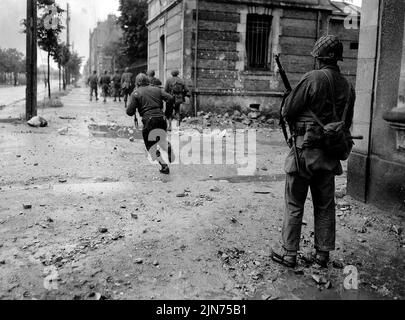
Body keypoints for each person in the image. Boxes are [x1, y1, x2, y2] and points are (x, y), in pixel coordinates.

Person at [271, 35, 356, 268]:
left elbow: (288, 111)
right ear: (337, 59)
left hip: (303, 154)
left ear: (318, 58)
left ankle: (289, 254)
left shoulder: (312, 78)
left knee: (295, 203)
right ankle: (322, 255)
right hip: (329, 156)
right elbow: (345, 124)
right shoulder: (349, 87)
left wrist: (289, 98)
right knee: (325, 205)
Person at [126, 73, 175, 175]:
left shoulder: (136, 93)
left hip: (149, 121)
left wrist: (134, 105)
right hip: (161, 119)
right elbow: (170, 98)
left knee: (151, 146)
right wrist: (167, 113)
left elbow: (129, 112)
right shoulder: (157, 89)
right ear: (147, 80)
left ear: (137, 82)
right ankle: (168, 147)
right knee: (161, 139)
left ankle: (164, 166)